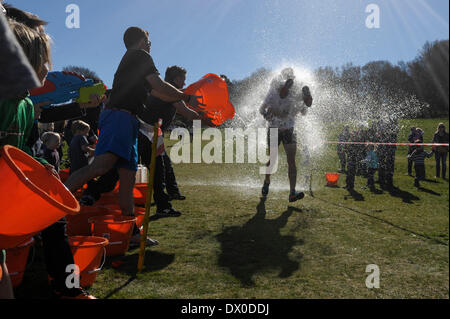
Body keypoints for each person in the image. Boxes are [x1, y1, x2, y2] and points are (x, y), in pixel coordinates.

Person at [63, 27, 204, 244]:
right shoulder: (140, 55)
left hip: (129, 121)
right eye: (148, 40)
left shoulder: (134, 60)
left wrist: (189, 105)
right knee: (100, 167)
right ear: (141, 41)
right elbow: (159, 85)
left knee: (127, 179)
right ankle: (56, 200)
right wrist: (186, 96)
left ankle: (134, 233)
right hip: (118, 117)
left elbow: (156, 91)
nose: (150, 44)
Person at [1, 17, 94, 299]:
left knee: (55, 222)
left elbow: (24, 150)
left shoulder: (26, 107)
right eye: (43, 60)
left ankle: (67, 287)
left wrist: (41, 166)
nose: (48, 68)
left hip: (8, 193)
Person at [138, 65, 213, 217]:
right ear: (176, 78)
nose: (184, 84)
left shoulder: (169, 90)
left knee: (163, 165)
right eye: (183, 80)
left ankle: (170, 195)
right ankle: (162, 206)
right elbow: (186, 112)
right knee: (157, 171)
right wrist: (207, 118)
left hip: (150, 133)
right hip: (147, 133)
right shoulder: (170, 91)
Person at [259, 68, 313, 202]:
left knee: (291, 161)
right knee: (272, 160)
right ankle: (267, 181)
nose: (291, 80)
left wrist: (306, 101)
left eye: (291, 78)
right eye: (287, 78)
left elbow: (304, 112)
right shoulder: (272, 90)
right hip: (273, 128)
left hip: (289, 128)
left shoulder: (297, 92)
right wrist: (266, 114)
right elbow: (261, 109)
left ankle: (292, 192)